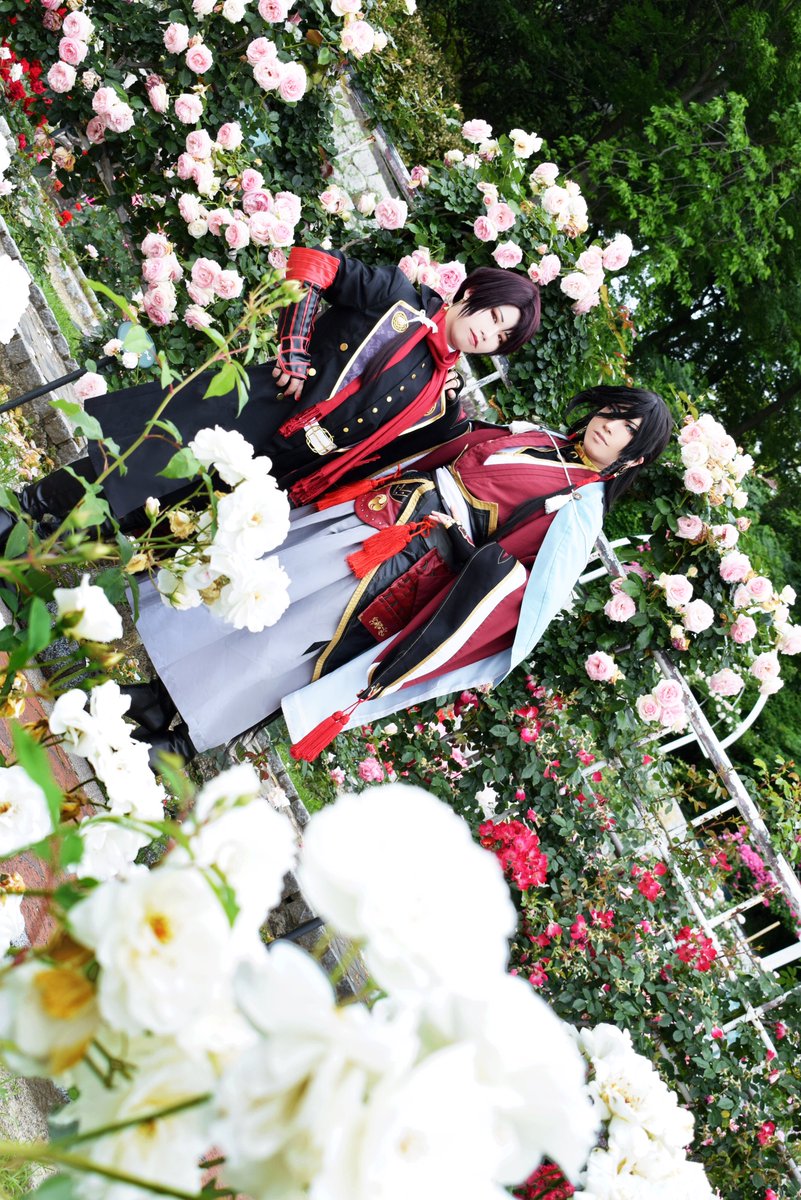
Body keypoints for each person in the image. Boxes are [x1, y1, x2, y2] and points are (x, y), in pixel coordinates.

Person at [128, 385, 673, 764]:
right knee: (266, 593)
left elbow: (520, 597)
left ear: (636, 458)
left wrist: (466, 548)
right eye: (614, 412)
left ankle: (184, 743)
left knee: (291, 649)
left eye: (628, 429)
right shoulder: (542, 440)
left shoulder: (580, 513)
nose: (610, 426)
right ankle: (156, 699)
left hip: (409, 571)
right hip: (381, 516)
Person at [1, 247, 540, 541]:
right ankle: (20, 513)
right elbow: (310, 264)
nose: (488, 335)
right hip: (258, 405)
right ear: (474, 291)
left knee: (158, 515)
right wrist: (294, 348)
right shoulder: (398, 298)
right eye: (494, 317)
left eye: (502, 338)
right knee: (134, 465)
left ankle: (33, 553)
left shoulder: (439, 398)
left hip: (282, 465)